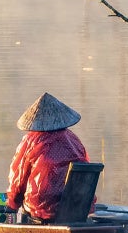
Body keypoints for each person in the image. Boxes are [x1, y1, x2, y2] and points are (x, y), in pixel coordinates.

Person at [6, 93, 88, 223]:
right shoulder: (74, 141)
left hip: (42, 211)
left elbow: (18, 180)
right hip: (77, 209)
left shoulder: (31, 141)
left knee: (19, 212)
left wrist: (12, 204)